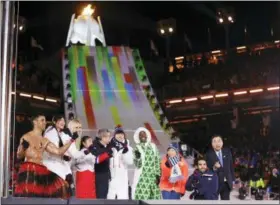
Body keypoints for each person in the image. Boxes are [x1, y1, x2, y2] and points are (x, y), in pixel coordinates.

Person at [14, 113, 78, 198]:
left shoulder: (44, 140)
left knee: (62, 186)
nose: (45, 122)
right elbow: (19, 156)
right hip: (28, 170)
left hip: (41, 170)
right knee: (28, 197)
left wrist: (71, 140)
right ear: (35, 122)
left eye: (45, 120)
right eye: (42, 120)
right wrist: (23, 147)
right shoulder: (26, 137)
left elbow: (58, 151)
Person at [42, 117, 84, 195]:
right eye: (76, 127)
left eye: (80, 127)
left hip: (62, 167)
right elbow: (72, 153)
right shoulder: (58, 135)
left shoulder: (65, 135)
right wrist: (87, 151)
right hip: (53, 166)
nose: (78, 129)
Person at [131, 127, 161, 200]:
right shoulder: (137, 147)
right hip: (142, 177)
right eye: (140, 135)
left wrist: (158, 175)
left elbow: (157, 160)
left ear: (147, 135)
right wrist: (138, 158)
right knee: (142, 197)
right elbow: (137, 165)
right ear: (138, 137)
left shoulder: (153, 146)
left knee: (154, 198)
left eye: (144, 134)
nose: (142, 136)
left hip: (153, 176)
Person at [107, 125, 133, 199]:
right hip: (111, 177)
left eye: (121, 134)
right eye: (118, 133)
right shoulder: (109, 146)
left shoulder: (128, 148)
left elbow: (130, 162)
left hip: (122, 177)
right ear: (114, 135)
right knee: (110, 198)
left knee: (122, 198)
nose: (120, 135)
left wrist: (125, 151)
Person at [205, 135, 235, 200]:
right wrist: (214, 167)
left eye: (219, 141)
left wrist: (233, 180)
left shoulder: (227, 152)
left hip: (226, 183)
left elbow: (231, 167)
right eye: (214, 141)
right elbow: (207, 170)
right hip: (214, 183)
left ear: (222, 142)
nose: (217, 143)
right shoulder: (208, 154)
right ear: (212, 144)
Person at [92, 129, 113, 199]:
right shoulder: (95, 145)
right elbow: (96, 159)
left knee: (104, 194)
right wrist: (107, 153)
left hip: (105, 173)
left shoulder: (107, 145)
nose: (110, 138)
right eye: (108, 136)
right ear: (103, 137)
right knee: (100, 195)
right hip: (99, 174)